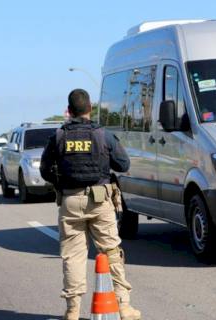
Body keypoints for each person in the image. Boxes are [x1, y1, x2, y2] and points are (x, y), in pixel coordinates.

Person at [40, 89, 141, 320]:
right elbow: (123, 164)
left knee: (73, 257)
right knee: (112, 252)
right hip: (99, 200)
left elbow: (45, 170)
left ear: (68, 110)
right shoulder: (102, 135)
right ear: (90, 109)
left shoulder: (58, 136)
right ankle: (124, 307)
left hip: (70, 200)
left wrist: (62, 183)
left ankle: (72, 311)